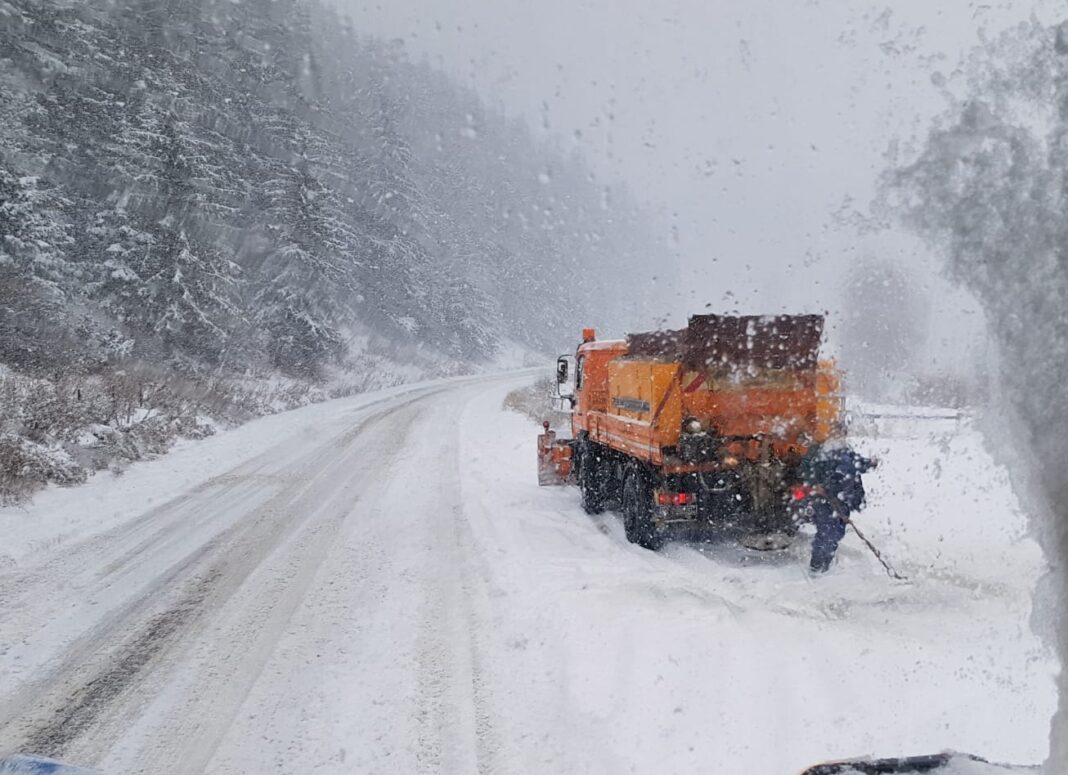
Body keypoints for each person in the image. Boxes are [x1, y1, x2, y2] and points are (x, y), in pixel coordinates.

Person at [797, 439, 877, 573]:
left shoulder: (846, 451)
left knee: (837, 533)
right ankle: (816, 566)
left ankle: (825, 564)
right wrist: (814, 484)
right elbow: (804, 470)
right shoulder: (817, 451)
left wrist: (870, 463)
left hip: (842, 499)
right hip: (822, 500)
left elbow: (857, 465)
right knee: (827, 532)